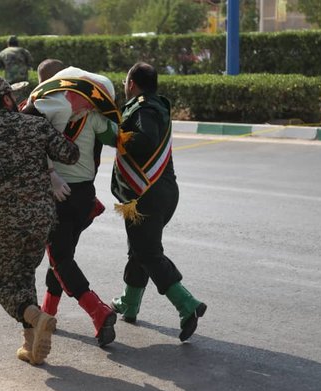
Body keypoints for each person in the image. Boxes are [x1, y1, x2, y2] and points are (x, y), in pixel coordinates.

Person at [0, 74, 79, 365]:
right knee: (24, 274)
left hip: (5, 220)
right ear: (6, 99)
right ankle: (31, 345)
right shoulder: (37, 125)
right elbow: (70, 154)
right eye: (12, 96)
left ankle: (35, 316)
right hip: (41, 218)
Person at [22, 59, 120, 347]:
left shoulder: (39, 115)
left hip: (58, 196)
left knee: (61, 260)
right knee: (62, 257)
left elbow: (29, 147)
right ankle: (48, 311)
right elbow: (117, 137)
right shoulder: (93, 114)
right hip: (84, 197)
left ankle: (99, 312)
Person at [110, 62, 207, 342]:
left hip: (147, 194)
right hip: (160, 191)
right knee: (139, 248)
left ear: (131, 84)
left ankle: (186, 304)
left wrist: (116, 135)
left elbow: (145, 139)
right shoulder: (156, 104)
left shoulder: (144, 108)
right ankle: (129, 302)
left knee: (148, 252)